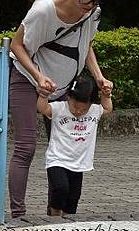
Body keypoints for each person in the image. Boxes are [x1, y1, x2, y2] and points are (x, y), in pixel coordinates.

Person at [8, 0, 112, 223]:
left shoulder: (92, 11)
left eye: (94, 1)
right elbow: (18, 45)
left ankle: (54, 215)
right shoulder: (44, 9)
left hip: (62, 86)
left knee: (65, 151)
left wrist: (99, 77)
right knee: (26, 147)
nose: (87, 5)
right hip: (28, 80)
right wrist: (38, 76)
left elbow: (86, 44)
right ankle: (18, 217)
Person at [37, 75, 112, 216]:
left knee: (73, 197)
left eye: (83, 109)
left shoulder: (95, 111)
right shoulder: (60, 108)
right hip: (57, 159)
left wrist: (106, 95)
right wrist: (43, 95)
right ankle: (54, 214)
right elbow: (43, 108)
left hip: (79, 163)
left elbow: (107, 108)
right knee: (61, 188)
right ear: (68, 97)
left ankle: (68, 223)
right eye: (75, 107)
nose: (78, 111)